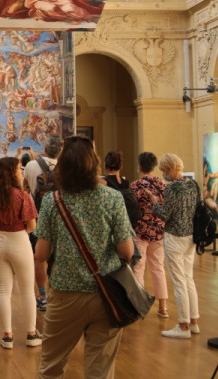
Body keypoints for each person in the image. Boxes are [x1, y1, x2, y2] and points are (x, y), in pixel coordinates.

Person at [34, 136, 135, 379]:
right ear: (94, 163)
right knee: (100, 370)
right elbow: (127, 251)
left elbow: (41, 254)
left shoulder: (52, 200)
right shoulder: (112, 198)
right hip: (106, 292)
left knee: (51, 367)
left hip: (65, 292)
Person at [0, 157, 41, 348]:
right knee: (27, 290)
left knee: (3, 290)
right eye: (18, 169)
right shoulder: (22, 196)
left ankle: (7, 336)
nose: (21, 171)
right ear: (12, 172)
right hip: (19, 240)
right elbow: (32, 226)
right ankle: (31, 334)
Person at [152, 153, 201, 339]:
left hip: (174, 237)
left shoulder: (173, 189)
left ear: (170, 169)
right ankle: (194, 321)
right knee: (189, 279)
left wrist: (154, 203)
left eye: (164, 171)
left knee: (179, 281)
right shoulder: (193, 185)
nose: (164, 174)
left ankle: (183, 326)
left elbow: (165, 215)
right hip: (191, 236)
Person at [24, 134, 61, 311]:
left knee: (39, 258)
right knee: (59, 257)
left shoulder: (31, 165)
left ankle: (43, 296)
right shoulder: (65, 167)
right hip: (62, 216)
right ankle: (57, 295)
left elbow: (26, 185)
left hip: (38, 215)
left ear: (45, 149)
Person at [129, 152, 169, 318]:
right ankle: (163, 306)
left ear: (140, 166)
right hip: (158, 230)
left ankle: (139, 307)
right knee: (158, 267)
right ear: (153, 166)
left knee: (139, 267)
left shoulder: (135, 186)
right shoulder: (163, 185)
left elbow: (132, 208)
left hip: (140, 230)